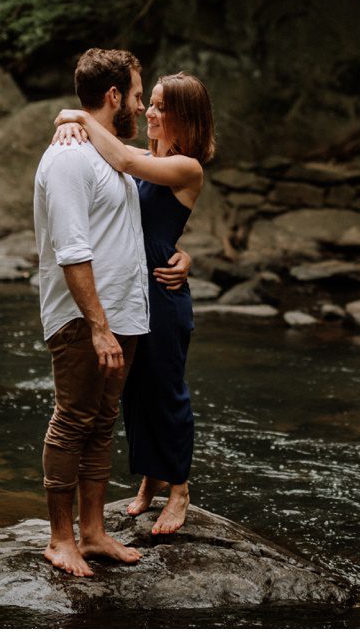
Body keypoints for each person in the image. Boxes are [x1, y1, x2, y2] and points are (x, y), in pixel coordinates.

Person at [33, 47, 181, 577]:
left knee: (100, 425)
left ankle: (93, 534)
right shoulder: (71, 156)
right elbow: (73, 250)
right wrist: (97, 327)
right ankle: (59, 539)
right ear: (114, 95)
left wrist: (182, 259)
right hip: (84, 319)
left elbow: (132, 232)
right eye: (139, 96)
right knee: (72, 420)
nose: (142, 108)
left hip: (123, 315)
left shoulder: (104, 153)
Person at [52, 70, 215, 535]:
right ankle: (150, 481)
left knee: (165, 391)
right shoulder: (146, 156)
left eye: (161, 107)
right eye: (151, 102)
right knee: (134, 393)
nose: (148, 111)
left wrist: (75, 115)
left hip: (163, 296)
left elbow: (120, 160)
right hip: (129, 294)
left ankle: (179, 491)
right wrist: (70, 122)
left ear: (185, 118)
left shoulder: (187, 167)